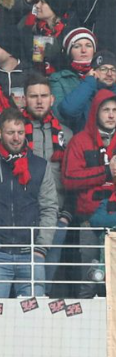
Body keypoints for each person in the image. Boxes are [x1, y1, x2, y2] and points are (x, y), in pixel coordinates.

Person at [62, 90, 116, 297]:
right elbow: (69, 179)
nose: (111, 115)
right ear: (95, 112)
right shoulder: (79, 141)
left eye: (115, 110)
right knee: (88, 284)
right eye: (106, 110)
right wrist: (105, 172)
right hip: (90, 222)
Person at [22, 72, 73, 295]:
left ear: (52, 99)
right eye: (33, 96)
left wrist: (66, 215)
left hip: (56, 216)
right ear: (25, 99)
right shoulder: (14, 133)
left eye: (44, 96)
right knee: (20, 277)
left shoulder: (66, 134)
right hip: (22, 216)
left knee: (47, 276)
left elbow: (73, 178)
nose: (39, 101)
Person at [0, 107, 57, 298]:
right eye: (10, 133)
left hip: (31, 254)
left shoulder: (40, 165)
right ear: (0, 133)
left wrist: (41, 249)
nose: (16, 138)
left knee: (34, 315)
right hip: (0, 254)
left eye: (20, 132)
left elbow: (49, 208)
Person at [58, 50, 116, 151]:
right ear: (93, 72)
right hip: (87, 156)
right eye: (103, 69)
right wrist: (89, 81)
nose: (109, 73)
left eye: (113, 70)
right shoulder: (84, 102)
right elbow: (68, 110)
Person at [49, 27, 96, 120]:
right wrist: (88, 82)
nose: (83, 50)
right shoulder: (58, 79)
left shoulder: (106, 74)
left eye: (88, 45)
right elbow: (59, 116)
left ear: (94, 50)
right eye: (77, 46)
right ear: (69, 52)